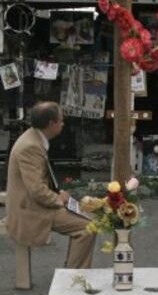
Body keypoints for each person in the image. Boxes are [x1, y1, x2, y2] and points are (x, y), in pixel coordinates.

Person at [5, 102, 95, 270]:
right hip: (31, 209)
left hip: (33, 203)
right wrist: (58, 199)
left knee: (85, 216)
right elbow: (36, 190)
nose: (63, 123)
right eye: (61, 120)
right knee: (87, 227)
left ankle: (73, 268)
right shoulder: (30, 146)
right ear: (51, 123)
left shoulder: (32, 137)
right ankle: (74, 276)